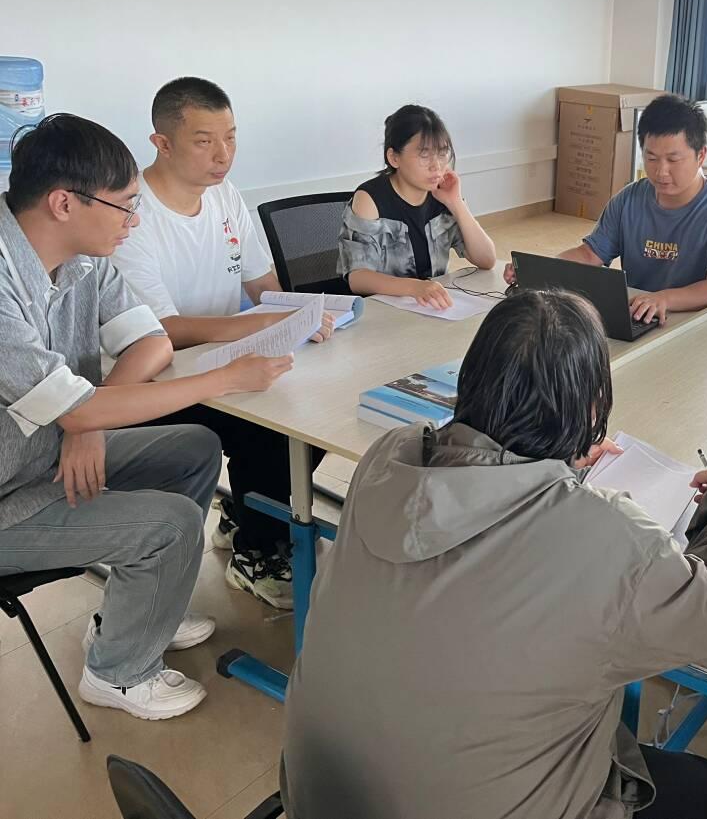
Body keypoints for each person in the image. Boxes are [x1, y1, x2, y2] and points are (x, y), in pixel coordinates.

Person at [282, 289, 707, 819]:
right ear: (592, 408)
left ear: (469, 378)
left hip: (318, 797)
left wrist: (550, 462)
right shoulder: (611, 534)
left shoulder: (388, 456)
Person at [0, 115, 290, 720]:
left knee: (194, 446)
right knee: (172, 523)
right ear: (63, 203)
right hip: (8, 497)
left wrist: (89, 423)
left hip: (42, 456)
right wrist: (226, 377)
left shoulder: (84, 257)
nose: (134, 221)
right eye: (126, 206)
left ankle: (139, 610)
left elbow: (152, 340)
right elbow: (77, 406)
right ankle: (118, 673)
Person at [112, 78, 333, 610]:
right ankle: (257, 552)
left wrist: (299, 315)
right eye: (204, 140)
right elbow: (161, 330)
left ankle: (248, 512)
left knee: (320, 402)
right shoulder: (131, 214)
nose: (223, 155)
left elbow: (261, 285)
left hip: (222, 360)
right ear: (162, 143)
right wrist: (256, 326)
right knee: (271, 429)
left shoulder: (224, 195)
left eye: (231, 137)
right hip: (155, 379)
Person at [503, 93, 707, 324]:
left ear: (701, 156)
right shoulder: (628, 200)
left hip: (701, 325)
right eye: (651, 158)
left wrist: (663, 299)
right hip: (638, 317)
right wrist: (539, 270)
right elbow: (590, 255)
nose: (661, 171)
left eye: (673, 159)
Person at [338, 104, 497, 310]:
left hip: (429, 309)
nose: (436, 166)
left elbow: (487, 259)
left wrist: (456, 203)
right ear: (394, 158)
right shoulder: (370, 199)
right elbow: (358, 278)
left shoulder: (441, 195)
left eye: (442, 153)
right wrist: (415, 287)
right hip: (383, 312)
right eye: (424, 155)